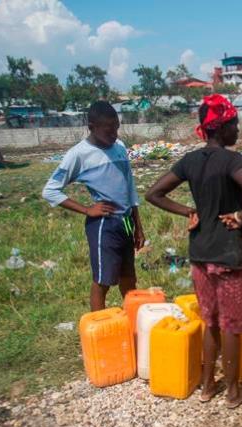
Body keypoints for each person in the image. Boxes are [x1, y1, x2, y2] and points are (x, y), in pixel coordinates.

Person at [145, 95, 242, 408]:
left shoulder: (190, 161)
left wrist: (187, 211)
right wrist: (240, 216)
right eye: (234, 124)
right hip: (228, 255)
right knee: (232, 326)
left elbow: (153, 193)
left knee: (210, 322)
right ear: (222, 128)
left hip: (199, 254)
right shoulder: (233, 161)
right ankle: (234, 393)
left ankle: (208, 386)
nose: (238, 129)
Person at [41, 101, 145, 312]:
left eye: (116, 129)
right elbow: (50, 190)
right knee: (103, 280)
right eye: (108, 131)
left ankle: (133, 324)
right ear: (91, 126)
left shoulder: (120, 147)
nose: (114, 135)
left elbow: (129, 187)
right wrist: (88, 209)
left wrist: (138, 226)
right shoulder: (79, 154)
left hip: (125, 222)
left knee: (129, 278)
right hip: (103, 226)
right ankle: (99, 329)